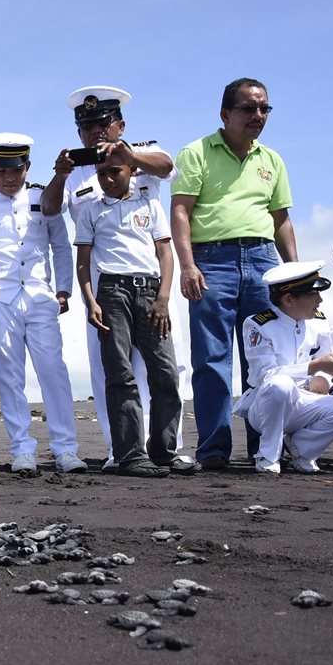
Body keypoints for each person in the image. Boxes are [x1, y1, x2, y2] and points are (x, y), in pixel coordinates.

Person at [42, 85, 189, 473]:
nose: (95, 132)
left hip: (151, 277)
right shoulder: (75, 170)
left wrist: (130, 156)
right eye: (86, 127)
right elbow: (51, 210)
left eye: (103, 124)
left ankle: (167, 448)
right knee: (110, 367)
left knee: (166, 366)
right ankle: (119, 448)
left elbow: (168, 167)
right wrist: (59, 175)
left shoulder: (140, 152)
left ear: (120, 125)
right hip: (104, 281)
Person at [172, 77, 297, 470]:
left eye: (264, 108)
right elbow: (180, 211)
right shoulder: (195, 153)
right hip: (212, 262)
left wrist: (295, 275)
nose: (258, 115)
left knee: (267, 357)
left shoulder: (272, 160)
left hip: (263, 262)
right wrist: (188, 265)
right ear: (225, 113)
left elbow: (281, 219)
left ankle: (266, 448)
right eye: (248, 108)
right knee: (212, 357)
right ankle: (213, 449)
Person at [0, 133, 86, 475]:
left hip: (39, 295)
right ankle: (22, 449)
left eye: (17, 170)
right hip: (0, 298)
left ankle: (65, 449)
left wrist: (63, 290)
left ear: (28, 167)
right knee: (10, 376)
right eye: (1, 171)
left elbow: (60, 245)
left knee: (53, 372)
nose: (10, 177)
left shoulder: (42, 198)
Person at [75, 161, 192, 477]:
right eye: (101, 174)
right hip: (111, 292)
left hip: (150, 290)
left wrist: (163, 297)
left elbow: (165, 254)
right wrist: (90, 301)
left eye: (115, 171)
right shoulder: (91, 210)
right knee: (120, 374)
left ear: (131, 171)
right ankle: (130, 455)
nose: (108, 179)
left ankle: (164, 451)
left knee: (166, 373)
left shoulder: (149, 204)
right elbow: (83, 262)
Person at [232, 261, 333, 474]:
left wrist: (325, 376)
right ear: (289, 299)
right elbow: (266, 376)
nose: (319, 300)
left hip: (306, 400)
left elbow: (326, 361)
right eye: (313, 293)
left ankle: (302, 449)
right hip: (267, 405)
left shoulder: (319, 322)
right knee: (280, 385)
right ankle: (268, 456)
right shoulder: (258, 324)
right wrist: (314, 367)